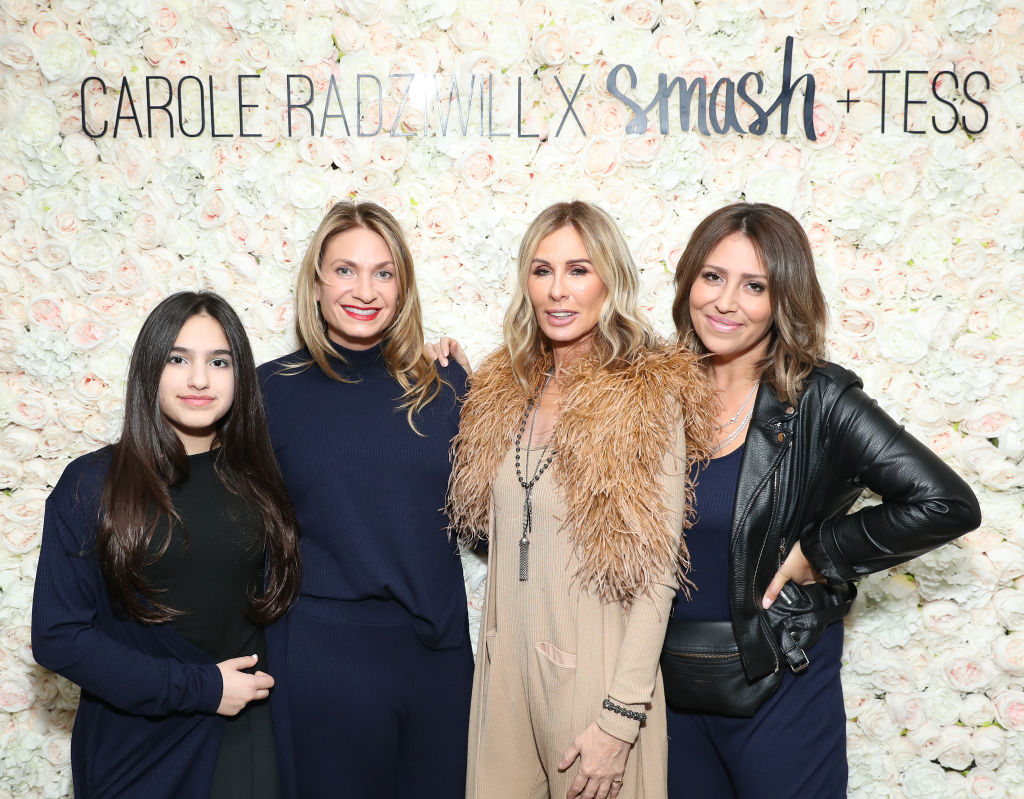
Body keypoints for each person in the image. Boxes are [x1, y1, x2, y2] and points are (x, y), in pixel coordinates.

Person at [664, 202, 982, 797]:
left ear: (783, 299)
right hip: (666, 689)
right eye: (713, 276)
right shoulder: (651, 392)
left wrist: (819, 551)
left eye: (754, 285)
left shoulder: (819, 400)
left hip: (778, 678)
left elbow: (946, 502)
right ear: (688, 282)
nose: (726, 302)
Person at [447, 201, 716, 799]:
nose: (557, 290)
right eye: (542, 270)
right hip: (504, 670)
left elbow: (657, 574)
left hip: (596, 680)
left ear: (609, 280)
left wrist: (620, 719)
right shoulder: (507, 387)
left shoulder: (644, 395)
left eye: (578, 270)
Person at [32, 291, 301, 799]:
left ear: (240, 376)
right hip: (135, 745)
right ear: (149, 369)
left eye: (219, 362)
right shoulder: (91, 483)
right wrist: (201, 688)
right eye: (178, 359)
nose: (199, 379)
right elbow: (58, 637)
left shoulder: (262, 478)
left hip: (244, 734)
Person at [257, 201, 473, 798]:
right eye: (345, 270)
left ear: (402, 287)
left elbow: (487, 516)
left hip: (437, 659)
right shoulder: (270, 390)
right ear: (316, 282)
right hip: (322, 659)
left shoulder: (446, 385)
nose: (365, 290)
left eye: (383, 272)